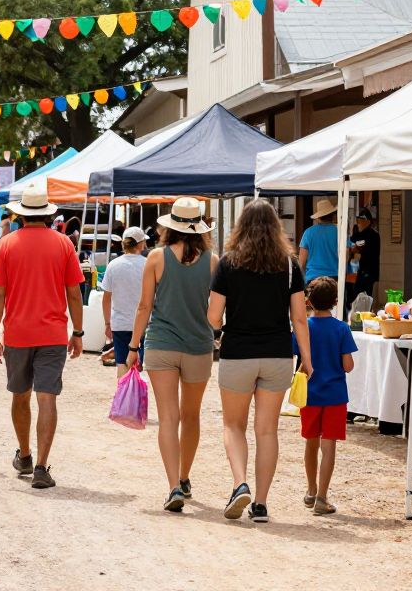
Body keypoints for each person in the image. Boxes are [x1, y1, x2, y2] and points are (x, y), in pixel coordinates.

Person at [207, 199, 312, 524]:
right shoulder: (290, 265)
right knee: (267, 431)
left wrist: (222, 330)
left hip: (238, 352)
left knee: (233, 425)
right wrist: (306, 359)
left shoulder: (228, 264)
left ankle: (240, 484)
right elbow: (299, 318)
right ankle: (262, 504)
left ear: (241, 227)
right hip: (278, 353)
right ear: (275, 227)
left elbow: (213, 316)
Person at [0, 183, 85, 490]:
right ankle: (42, 466)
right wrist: (78, 332)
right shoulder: (64, 244)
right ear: (46, 214)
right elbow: (73, 293)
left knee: (20, 395)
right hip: (54, 333)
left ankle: (26, 455)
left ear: (20, 215)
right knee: (47, 398)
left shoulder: (6, 244)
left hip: (17, 333)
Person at [127, 197, 217, 512]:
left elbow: (144, 306)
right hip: (199, 346)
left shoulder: (155, 257)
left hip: (161, 344)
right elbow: (217, 310)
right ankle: (185, 476)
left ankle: (173, 487)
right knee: (191, 416)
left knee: (168, 417)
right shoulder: (213, 261)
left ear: (170, 225)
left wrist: (133, 346)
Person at [295, 277, 356, 516]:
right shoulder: (342, 328)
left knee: (311, 442)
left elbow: (298, 359)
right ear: (336, 301)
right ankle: (322, 496)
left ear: (308, 301)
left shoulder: (303, 327)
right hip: (335, 395)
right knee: (328, 446)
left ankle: (310, 490)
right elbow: (348, 366)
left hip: (310, 394)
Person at [101, 226, 148, 378]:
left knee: (122, 362)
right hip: (144, 323)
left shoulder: (113, 265)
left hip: (120, 323)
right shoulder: (147, 264)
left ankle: (123, 397)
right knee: (140, 363)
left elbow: (106, 298)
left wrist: (107, 323)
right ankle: (137, 396)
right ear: (141, 244)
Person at [299, 198, 339, 284]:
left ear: (318, 217)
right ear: (332, 215)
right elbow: (346, 255)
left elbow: (301, 263)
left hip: (313, 279)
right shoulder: (339, 232)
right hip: (334, 279)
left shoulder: (308, 232)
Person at [349, 207, 380, 303]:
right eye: (357, 221)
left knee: (363, 296)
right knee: (358, 295)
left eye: (360, 221)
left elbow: (358, 246)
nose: (358, 223)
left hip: (368, 271)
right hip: (363, 269)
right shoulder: (362, 233)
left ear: (368, 221)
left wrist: (353, 248)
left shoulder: (372, 234)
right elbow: (353, 240)